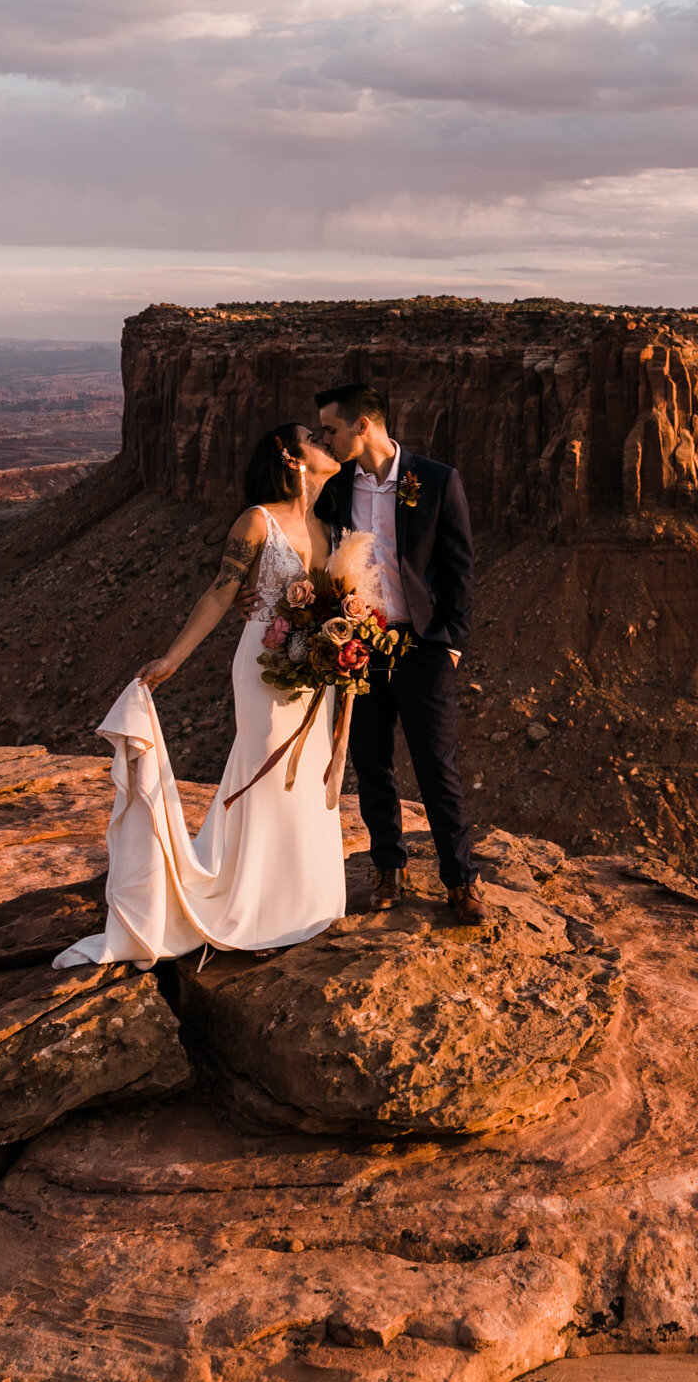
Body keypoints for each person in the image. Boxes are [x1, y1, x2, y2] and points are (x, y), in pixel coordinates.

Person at [54, 422, 352, 968]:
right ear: (291, 458)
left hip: (316, 670)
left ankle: (303, 901)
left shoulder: (331, 525)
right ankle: (256, 910)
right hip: (263, 668)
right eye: (313, 437)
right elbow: (223, 591)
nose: (326, 443)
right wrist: (172, 658)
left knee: (307, 776)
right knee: (262, 772)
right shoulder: (257, 520)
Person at [311, 383, 483, 923]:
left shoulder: (435, 479)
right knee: (371, 761)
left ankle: (461, 880)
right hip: (358, 647)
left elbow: (460, 567)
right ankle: (389, 868)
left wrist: (451, 643)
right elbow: (305, 546)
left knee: (438, 768)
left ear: (364, 425)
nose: (324, 439)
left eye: (331, 429)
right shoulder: (335, 487)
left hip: (423, 647)